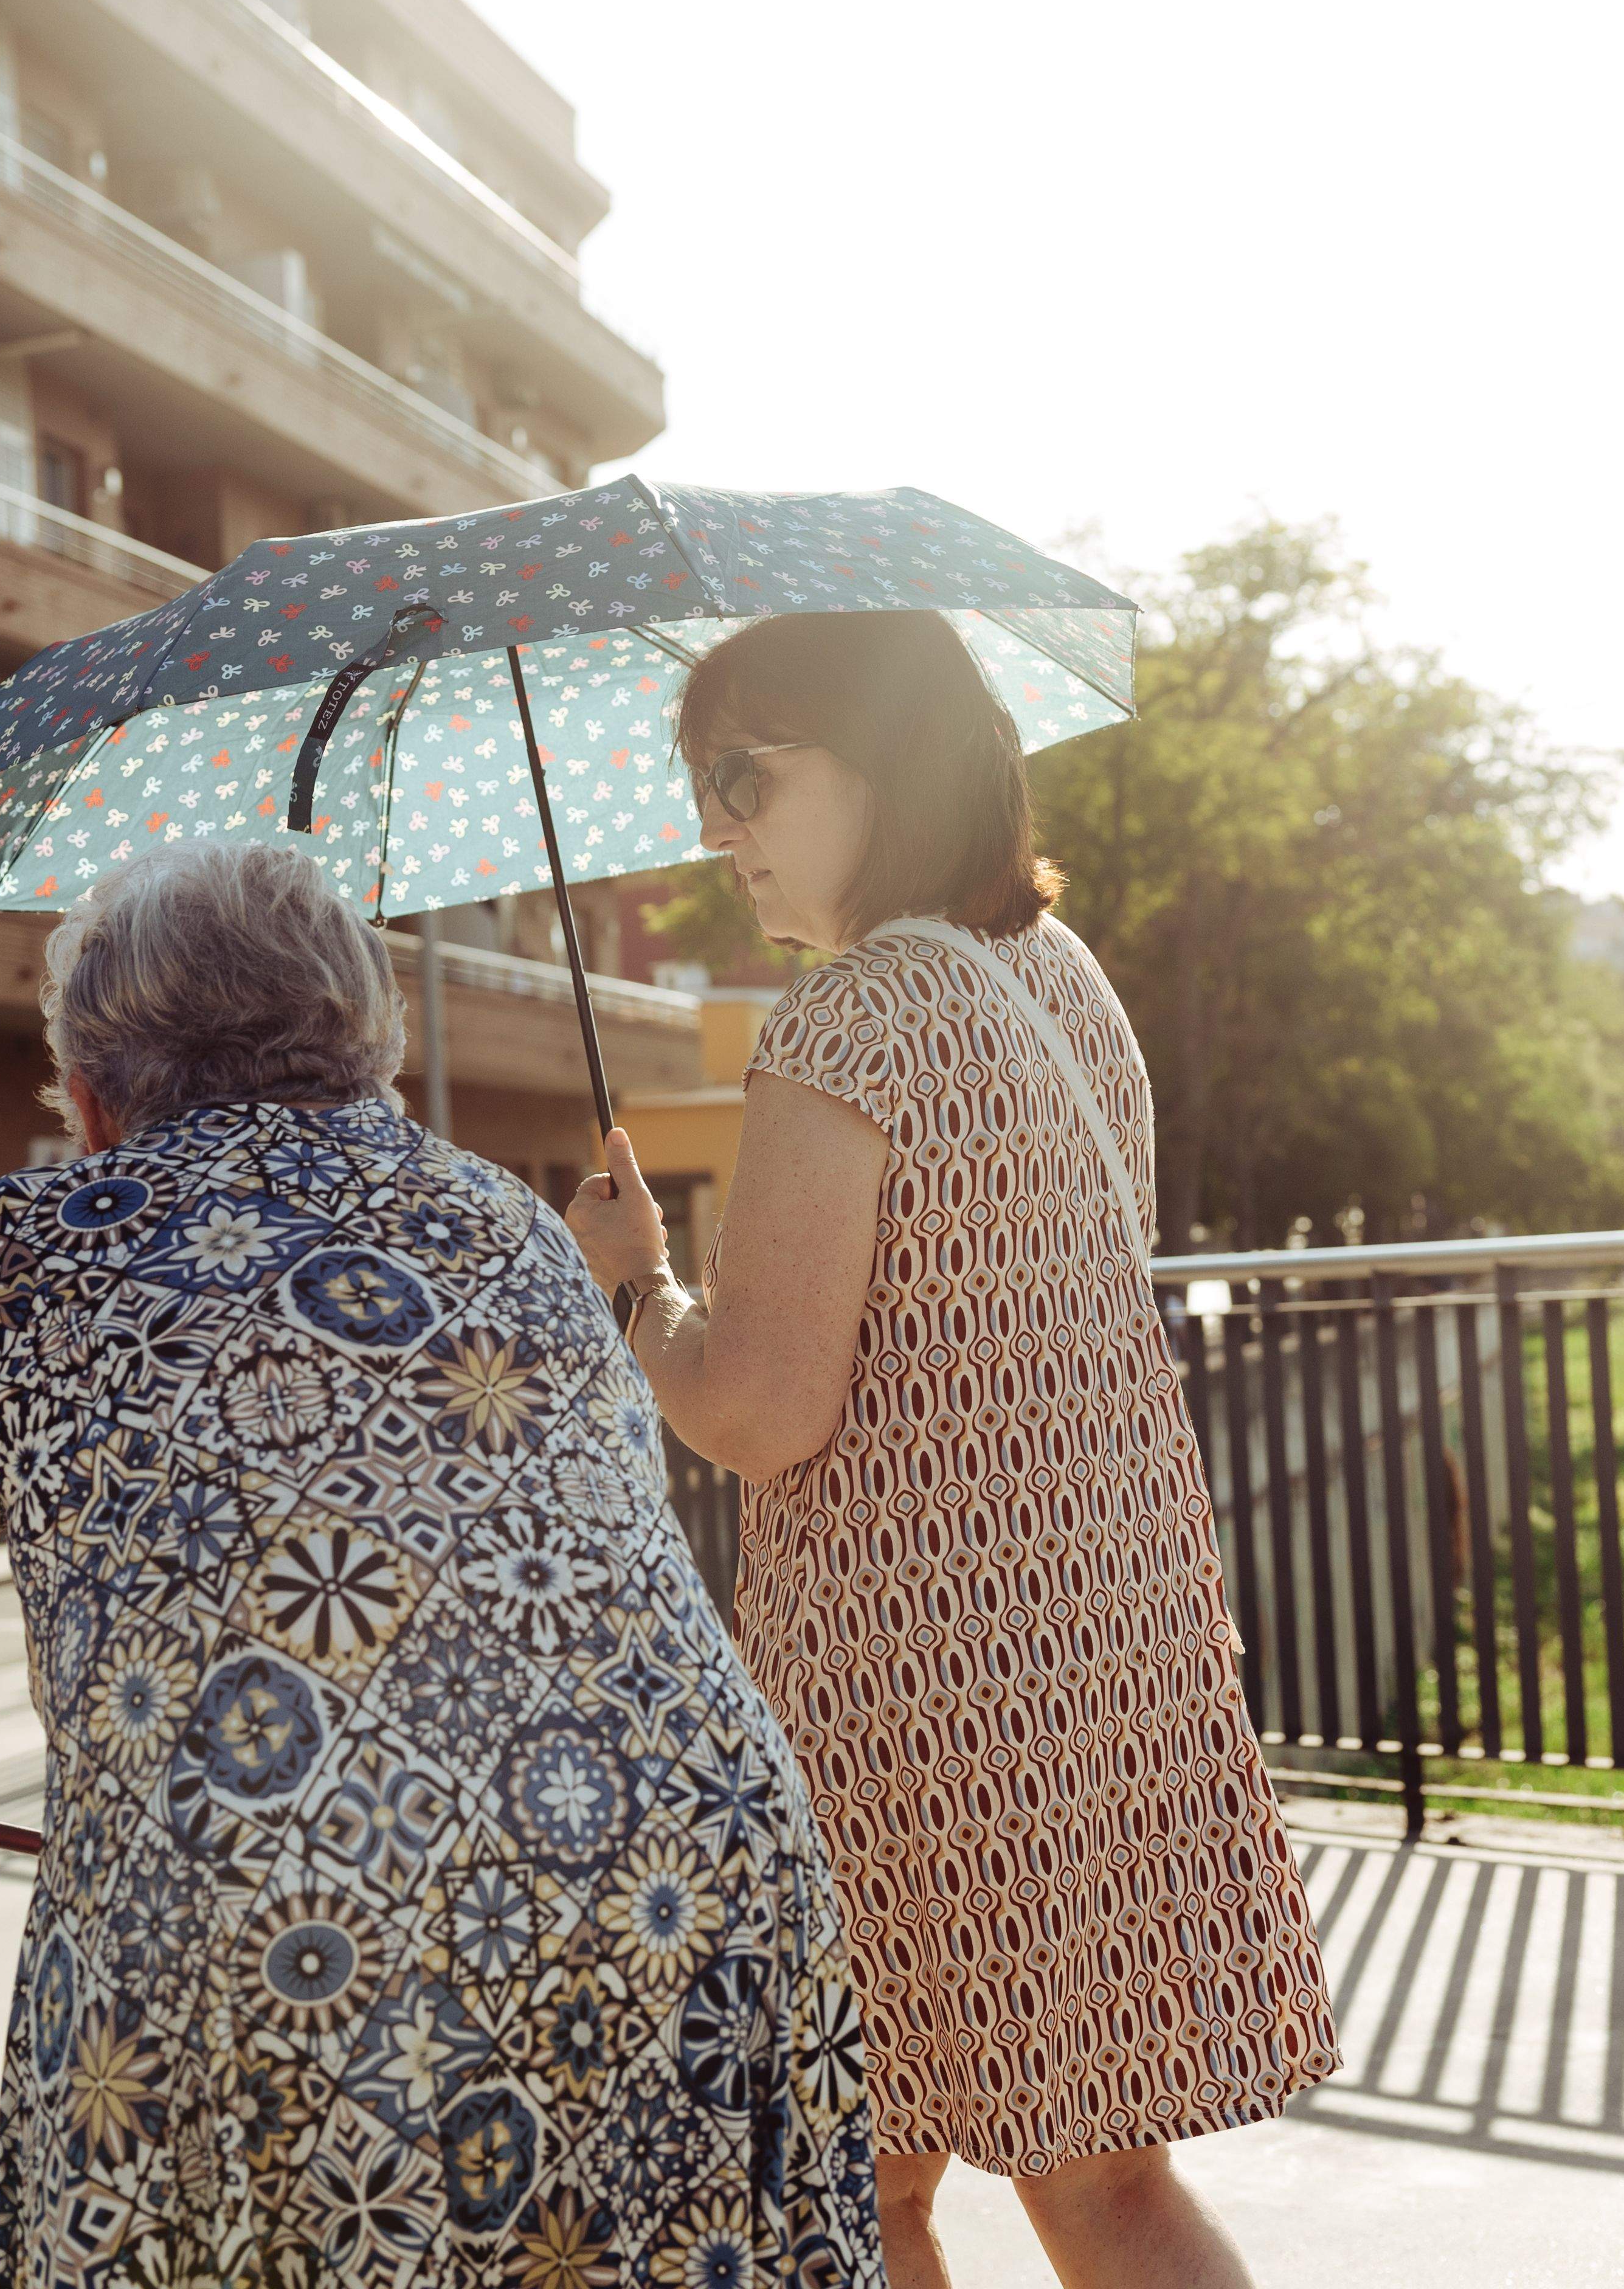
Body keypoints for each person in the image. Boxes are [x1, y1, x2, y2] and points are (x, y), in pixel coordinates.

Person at [0, 838, 881, 2288]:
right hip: (694, 1889)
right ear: (368, 1052)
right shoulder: (511, 1225)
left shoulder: (30, 1249)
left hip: (301, 1937)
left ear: (93, 1095)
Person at [562, 611, 1339, 2289]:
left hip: (911, 1691)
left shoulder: (846, 1021)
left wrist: (636, 1293)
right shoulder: (1056, 979)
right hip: (1100, 1644)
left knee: (864, 2190)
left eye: (742, 776)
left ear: (878, 762)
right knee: (1099, 2182)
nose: (717, 828)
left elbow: (762, 1412)